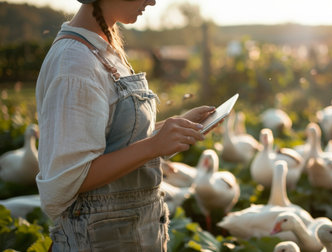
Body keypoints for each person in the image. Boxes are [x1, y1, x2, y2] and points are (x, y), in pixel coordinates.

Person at [35, 0, 217, 251]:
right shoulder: (74, 64)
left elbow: (116, 140)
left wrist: (172, 127)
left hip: (128, 234)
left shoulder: (100, 48)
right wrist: (154, 146)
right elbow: (67, 178)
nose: (153, 1)